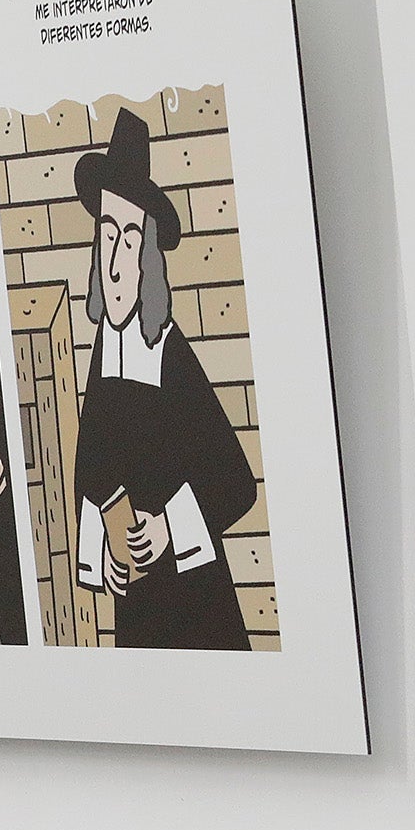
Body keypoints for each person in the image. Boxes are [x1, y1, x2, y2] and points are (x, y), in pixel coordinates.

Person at [67, 107, 255, 649]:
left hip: (197, 605)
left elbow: (237, 485)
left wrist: (170, 526)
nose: (117, 261)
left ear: (148, 253)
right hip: (139, 609)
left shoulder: (170, 356)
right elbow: (91, 471)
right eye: (107, 236)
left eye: (130, 239)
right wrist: (103, 546)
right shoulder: (104, 351)